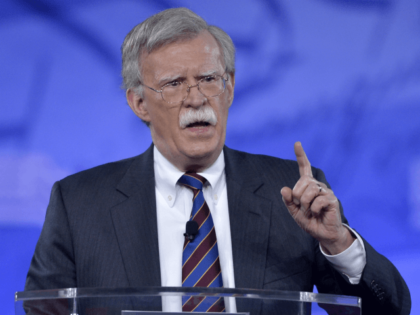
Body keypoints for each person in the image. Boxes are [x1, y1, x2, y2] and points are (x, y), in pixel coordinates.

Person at [25, 7, 411, 315]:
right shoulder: (78, 203)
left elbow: (387, 310)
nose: (196, 99)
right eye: (175, 83)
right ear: (139, 103)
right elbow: (41, 311)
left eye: (209, 79)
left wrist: (338, 243)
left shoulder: (294, 193)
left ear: (229, 88)